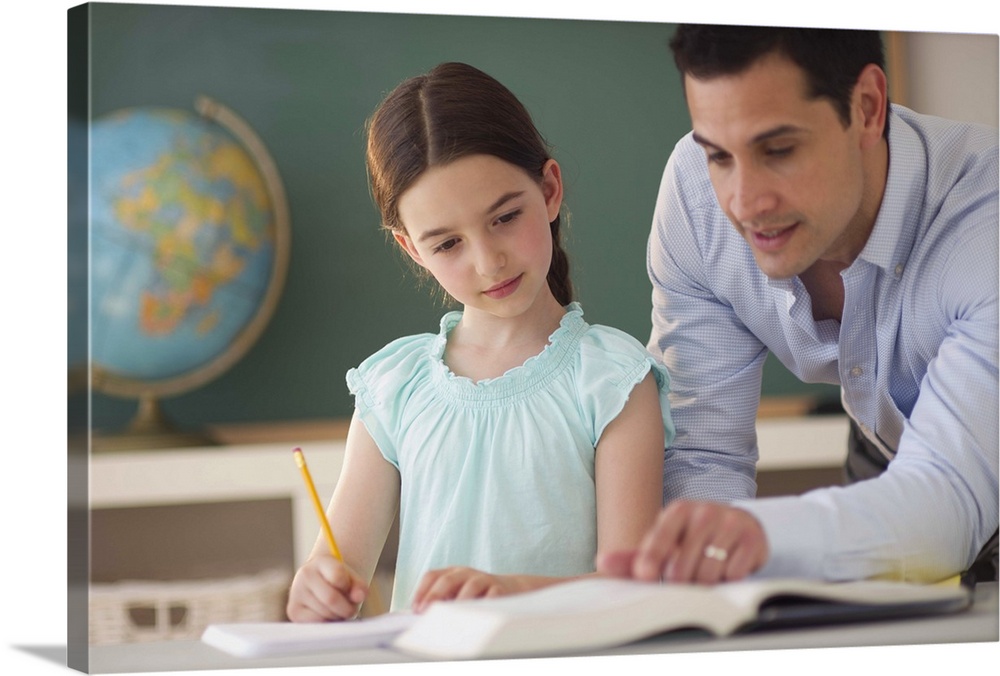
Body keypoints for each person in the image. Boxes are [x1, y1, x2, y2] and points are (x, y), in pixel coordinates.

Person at [598, 25, 998, 586]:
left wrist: (757, 535)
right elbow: (703, 457)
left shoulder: (987, 222)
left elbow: (949, 498)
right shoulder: (695, 197)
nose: (744, 203)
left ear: (866, 108)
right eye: (719, 155)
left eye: (778, 150)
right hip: (888, 452)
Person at [286, 62, 674, 621]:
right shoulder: (395, 387)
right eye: (447, 244)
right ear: (412, 249)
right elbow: (334, 576)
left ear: (549, 190)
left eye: (505, 217)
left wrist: (513, 594)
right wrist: (313, 594)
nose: (489, 261)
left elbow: (631, 587)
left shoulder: (612, 379)